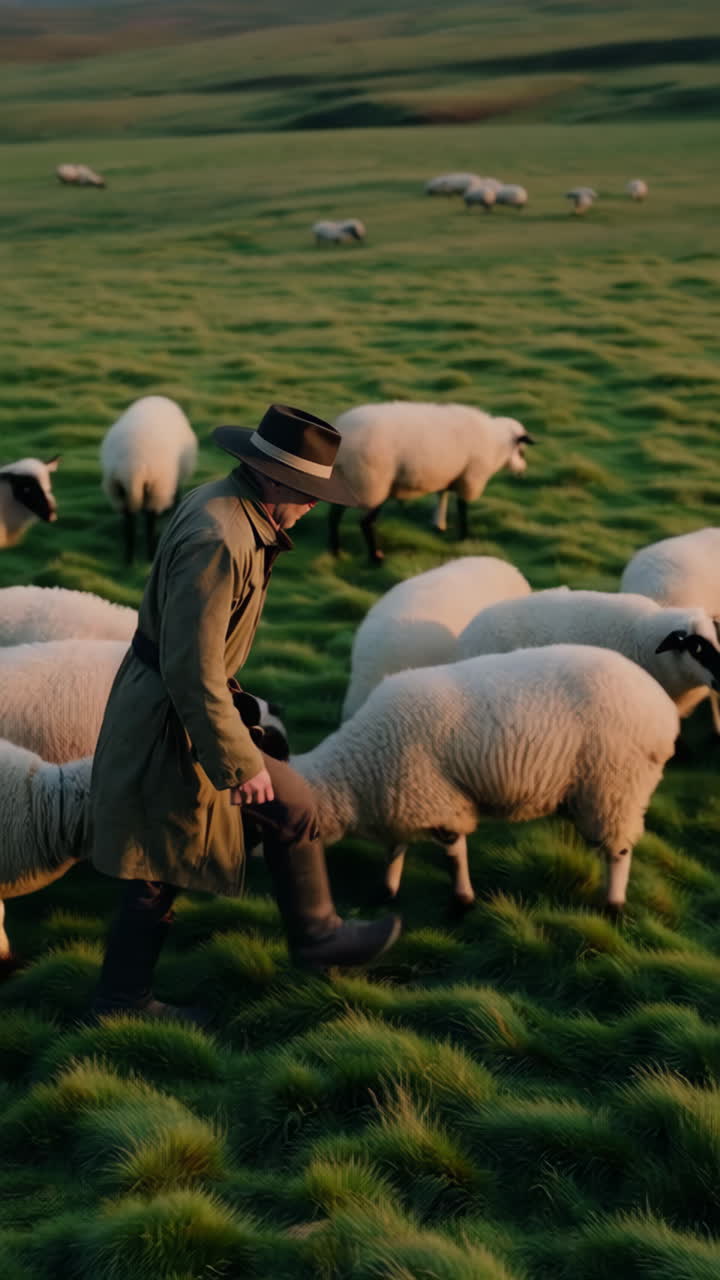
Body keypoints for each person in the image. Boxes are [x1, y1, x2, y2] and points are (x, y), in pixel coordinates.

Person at [87, 404, 401, 1023]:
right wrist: (237, 762)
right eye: (309, 492)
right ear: (275, 480)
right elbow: (189, 667)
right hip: (169, 718)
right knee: (157, 862)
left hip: (186, 704)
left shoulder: (233, 509)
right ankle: (122, 1006)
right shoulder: (219, 537)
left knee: (286, 809)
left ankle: (317, 936)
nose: (315, 506)